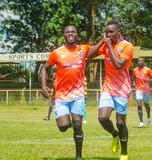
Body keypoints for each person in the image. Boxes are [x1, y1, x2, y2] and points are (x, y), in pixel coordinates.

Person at [41, 25, 91, 160]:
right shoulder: (57, 53)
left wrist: (105, 40)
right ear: (64, 35)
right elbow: (45, 68)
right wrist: (43, 85)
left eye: (73, 32)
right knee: (63, 127)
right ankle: (67, 121)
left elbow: (98, 50)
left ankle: (78, 156)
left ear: (77, 34)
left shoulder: (83, 49)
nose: (70, 33)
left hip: (78, 94)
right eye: (67, 32)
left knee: (78, 125)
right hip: (61, 96)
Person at [87, 20, 133, 160]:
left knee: (120, 122)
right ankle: (114, 135)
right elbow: (89, 55)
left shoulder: (127, 46)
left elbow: (119, 65)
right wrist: (102, 42)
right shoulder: (105, 44)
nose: (108, 34)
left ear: (119, 31)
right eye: (106, 32)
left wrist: (109, 47)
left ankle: (124, 153)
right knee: (102, 118)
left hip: (122, 89)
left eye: (111, 32)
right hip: (108, 87)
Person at [133, 58, 152, 128]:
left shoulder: (147, 70)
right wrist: (134, 82)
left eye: (141, 61)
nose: (140, 62)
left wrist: (148, 80)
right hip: (138, 90)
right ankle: (141, 122)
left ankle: (148, 117)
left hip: (146, 90)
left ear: (144, 62)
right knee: (139, 103)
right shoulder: (135, 70)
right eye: (138, 61)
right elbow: (134, 78)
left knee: (146, 104)